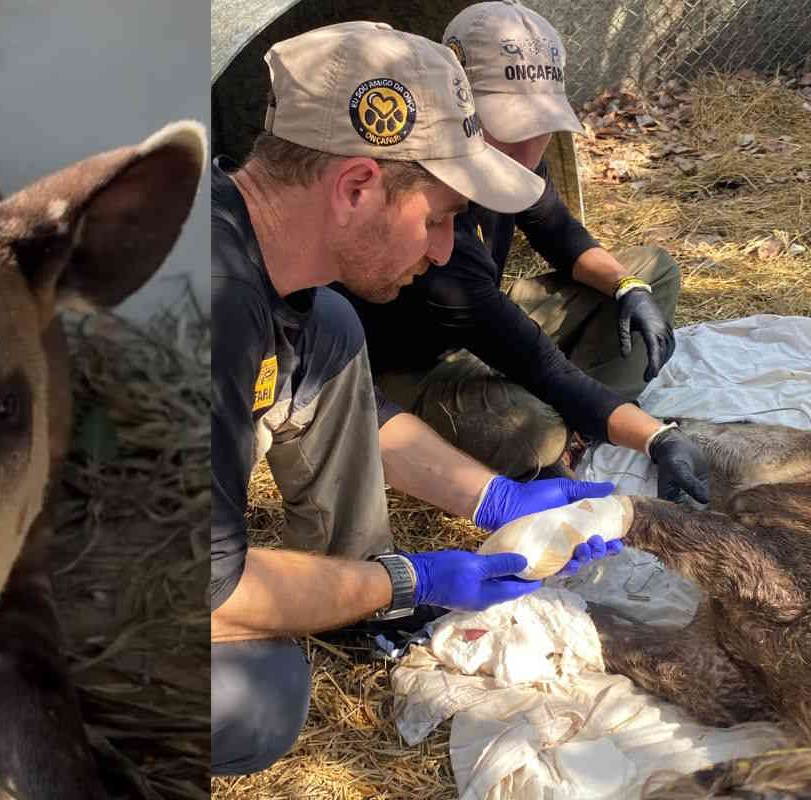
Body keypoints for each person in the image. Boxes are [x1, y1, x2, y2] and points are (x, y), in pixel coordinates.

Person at [211, 22, 620, 776]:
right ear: (357, 186)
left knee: (332, 330)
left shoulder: (270, 269)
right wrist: (411, 580)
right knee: (258, 696)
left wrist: (498, 501)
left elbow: (360, 414)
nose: (442, 249)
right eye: (438, 218)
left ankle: (348, 594)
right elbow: (203, 589)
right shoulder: (208, 310)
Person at [340, 0, 711, 504]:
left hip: (484, 325)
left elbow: (559, 232)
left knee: (652, 272)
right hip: (408, 364)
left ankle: (587, 411)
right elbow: (534, 359)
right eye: (510, 124)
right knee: (535, 431)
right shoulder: (433, 234)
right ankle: (579, 416)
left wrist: (627, 288)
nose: (529, 147)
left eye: (541, 124)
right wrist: (655, 436)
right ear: (455, 106)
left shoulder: (513, 163)